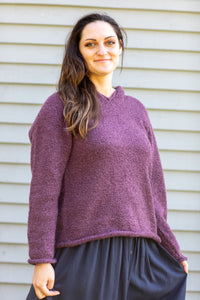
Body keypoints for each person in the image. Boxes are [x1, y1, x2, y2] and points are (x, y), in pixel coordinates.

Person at [26, 13, 188, 300]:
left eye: (109, 42)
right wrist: (42, 258)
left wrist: (173, 249)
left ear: (120, 47)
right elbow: (44, 190)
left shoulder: (136, 110)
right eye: (91, 44)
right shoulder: (60, 107)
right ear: (79, 52)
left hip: (141, 252)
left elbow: (152, 191)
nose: (102, 50)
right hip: (85, 250)